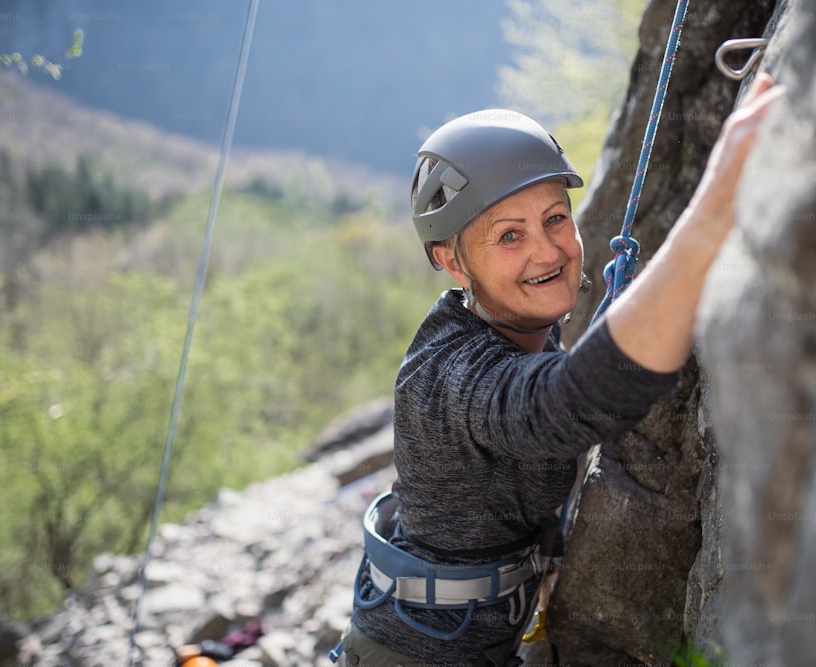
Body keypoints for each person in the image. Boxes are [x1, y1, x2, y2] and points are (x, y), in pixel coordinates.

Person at [333, 75, 783, 666]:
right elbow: (564, 406)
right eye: (509, 235)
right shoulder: (450, 374)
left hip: (469, 639)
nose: (547, 252)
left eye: (554, 218)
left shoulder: (519, 328)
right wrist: (712, 216)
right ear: (451, 260)